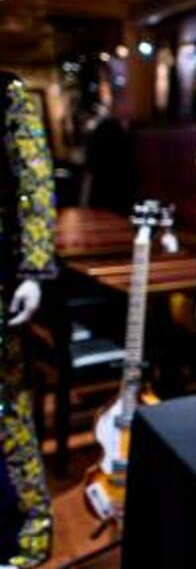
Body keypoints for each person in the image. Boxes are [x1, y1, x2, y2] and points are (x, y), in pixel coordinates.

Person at [0, 73, 57, 568]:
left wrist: (34, 269)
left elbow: (35, 180)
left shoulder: (6, 93)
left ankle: (31, 528)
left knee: (9, 408)